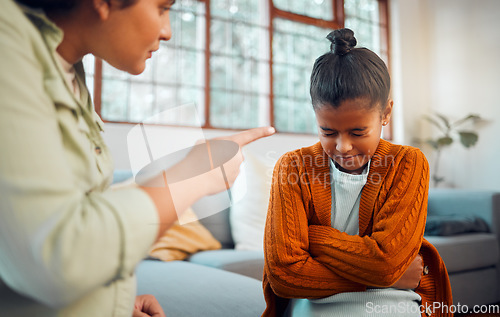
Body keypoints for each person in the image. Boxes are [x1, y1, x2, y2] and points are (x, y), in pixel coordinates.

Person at [0, 0, 274, 316]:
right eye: (161, 7)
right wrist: (194, 175)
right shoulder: (11, 50)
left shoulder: (67, 69)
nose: (168, 31)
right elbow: (53, 258)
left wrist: (111, 302)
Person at [262, 28, 452, 317]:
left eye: (358, 132)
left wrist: (314, 239)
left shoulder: (408, 163)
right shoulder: (293, 167)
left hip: (392, 308)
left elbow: (386, 263)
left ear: (386, 113)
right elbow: (284, 276)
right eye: (328, 131)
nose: (343, 146)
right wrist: (382, 279)